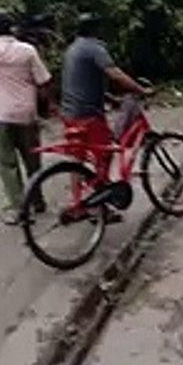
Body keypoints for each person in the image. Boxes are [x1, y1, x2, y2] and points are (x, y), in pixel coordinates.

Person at [60, 12, 152, 223]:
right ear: (97, 29)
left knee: (77, 159)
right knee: (106, 154)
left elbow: (82, 81)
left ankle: (77, 203)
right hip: (89, 115)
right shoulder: (95, 48)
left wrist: (109, 98)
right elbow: (114, 73)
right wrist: (140, 90)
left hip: (70, 113)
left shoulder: (73, 49)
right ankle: (100, 203)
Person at [0, 12, 53, 225]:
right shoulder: (27, 50)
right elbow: (43, 82)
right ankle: (37, 201)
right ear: (12, 29)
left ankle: (19, 208)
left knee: (7, 165)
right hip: (26, 113)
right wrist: (47, 106)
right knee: (33, 160)